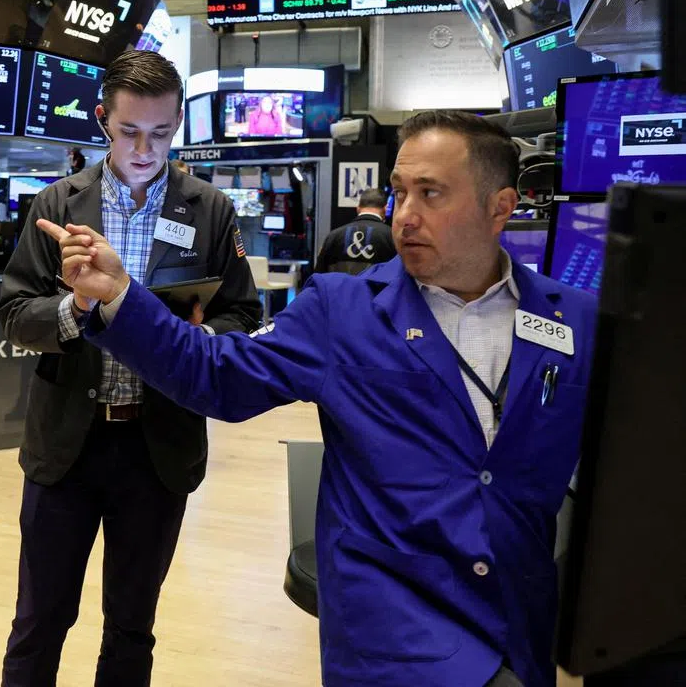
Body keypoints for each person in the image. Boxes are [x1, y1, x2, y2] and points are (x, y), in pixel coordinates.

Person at [38, 110, 597, 687]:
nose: (405, 216)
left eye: (431, 194)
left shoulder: (576, 321)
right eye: (400, 192)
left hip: (522, 627)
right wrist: (120, 297)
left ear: (500, 207)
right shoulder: (342, 310)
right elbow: (217, 376)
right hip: (395, 629)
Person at [0, 50, 262, 686]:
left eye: (163, 133)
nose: (146, 148)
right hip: (66, 446)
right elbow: (12, 312)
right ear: (101, 121)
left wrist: (192, 338)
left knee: (131, 626)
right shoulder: (56, 206)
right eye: (129, 131)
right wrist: (76, 305)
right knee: (40, 619)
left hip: (158, 447)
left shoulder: (210, 210)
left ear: (178, 126)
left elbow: (242, 314)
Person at [314, 187, 397, 274]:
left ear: (358, 208)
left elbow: (318, 275)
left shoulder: (333, 236)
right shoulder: (392, 236)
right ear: (385, 208)